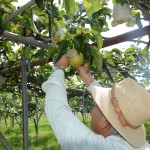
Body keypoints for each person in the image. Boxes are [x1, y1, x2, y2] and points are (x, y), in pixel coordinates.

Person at [42, 54, 150, 150]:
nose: (92, 109)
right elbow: (112, 105)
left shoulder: (98, 147)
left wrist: (59, 67)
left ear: (104, 122)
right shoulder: (143, 146)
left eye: (97, 105)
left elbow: (57, 111)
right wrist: (89, 79)